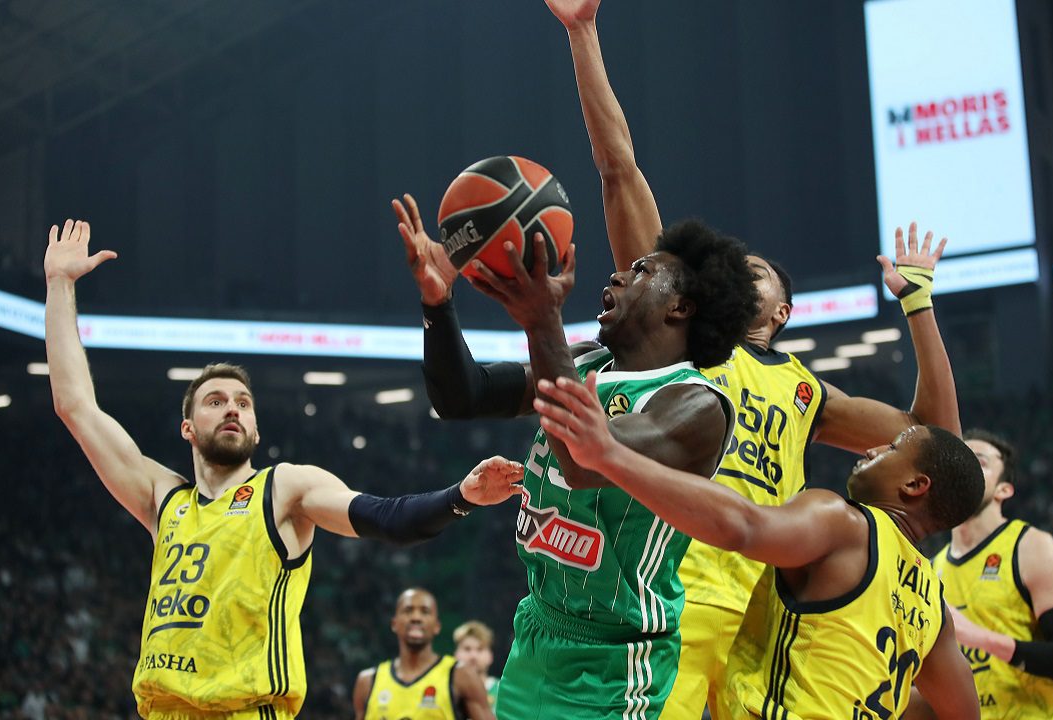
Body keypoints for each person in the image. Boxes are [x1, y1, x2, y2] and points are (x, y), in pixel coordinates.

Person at [539, 1, 963, 715]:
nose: (735, 268)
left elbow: (940, 445)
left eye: (754, 270)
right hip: (673, 587)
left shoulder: (807, 393)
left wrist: (918, 305)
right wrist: (583, 33)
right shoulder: (687, 335)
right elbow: (619, 172)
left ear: (782, 311)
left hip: (767, 614)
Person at [43, 219, 524, 720]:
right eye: (215, 401)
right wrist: (59, 284)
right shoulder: (162, 498)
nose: (232, 409)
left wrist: (460, 496)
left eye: (243, 403)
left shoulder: (284, 488)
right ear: (187, 428)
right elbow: (75, 406)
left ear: (256, 430)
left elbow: (386, 518)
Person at [395, 193, 759, 718]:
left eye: (641, 271)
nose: (617, 276)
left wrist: (542, 320)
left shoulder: (694, 405)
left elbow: (587, 461)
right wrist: (438, 303)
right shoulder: (588, 361)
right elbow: (463, 396)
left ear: (680, 308)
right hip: (537, 629)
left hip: (614, 658)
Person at [533, 373, 984, 719]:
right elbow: (963, 713)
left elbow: (742, 527)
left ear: (915, 485)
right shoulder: (933, 605)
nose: (871, 449)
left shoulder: (845, 524)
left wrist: (612, 456)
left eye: (892, 448)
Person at [930, 430, 1053, 719]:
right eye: (959, 459)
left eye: (979, 461)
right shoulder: (931, 571)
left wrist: (979, 637)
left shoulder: (1030, 546)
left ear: (1004, 490)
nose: (965, 467)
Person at [353, 588, 494, 720]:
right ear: (394, 624)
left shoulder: (461, 676)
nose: (416, 617)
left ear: (437, 626)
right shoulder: (368, 682)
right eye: (408, 611)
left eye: (425, 612)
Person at [453, 621, 501, 710]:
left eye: (480, 649)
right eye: (467, 649)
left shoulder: (503, 690)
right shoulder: (446, 690)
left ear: (490, 656)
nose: (473, 656)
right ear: (456, 655)